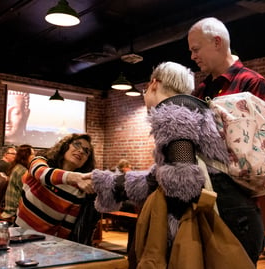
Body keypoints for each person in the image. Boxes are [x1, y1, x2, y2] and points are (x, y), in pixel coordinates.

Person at [92, 62, 253, 268]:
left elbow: (183, 182)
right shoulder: (198, 109)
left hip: (216, 224)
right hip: (236, 215)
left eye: (144, 90)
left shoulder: (172, 113)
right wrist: (111, 184)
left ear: (154, 84)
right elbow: (159, 175)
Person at [188, 17, 265, 265]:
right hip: (206, 203)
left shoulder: (252, 83)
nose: (193, 56)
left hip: (238, 209)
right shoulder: (202, 90)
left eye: (196, 49)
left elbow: (262, 149)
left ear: (217, 42)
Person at [15, 133, 100, 245]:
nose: (81, 151)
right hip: (17, 235)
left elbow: (65, 228)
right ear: (65, 146)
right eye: (77, 145)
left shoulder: (79, 188)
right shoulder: (41, 161)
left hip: (44, 243)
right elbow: (41, 173)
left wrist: (55, 248)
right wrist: (74, 177)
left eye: (86, 151)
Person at [0, 144, 35, 224]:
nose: (34, 157)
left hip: (10, 210)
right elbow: (29, 193)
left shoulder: (17, 167)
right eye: (32, 154)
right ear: (25, 156)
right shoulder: (22, 171)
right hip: (14, 212)